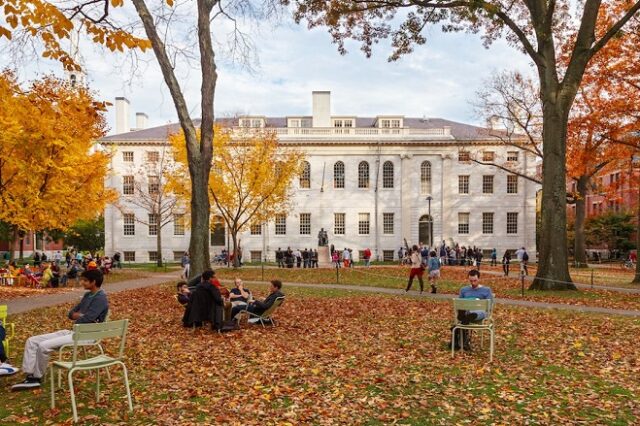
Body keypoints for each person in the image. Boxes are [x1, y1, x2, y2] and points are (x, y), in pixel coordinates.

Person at [12, 269, 108, 390]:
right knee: (32, 341)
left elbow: (88, 318)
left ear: (93, 282)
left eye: (85, 280)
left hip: (86, 336)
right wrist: (79, 316)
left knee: (43, 346)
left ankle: (36, 378)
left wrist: (80, 316)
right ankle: (30, 375)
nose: (82, 282)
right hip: (75, 331)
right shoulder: (87, 295)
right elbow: (71, 313)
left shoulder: (101, 298)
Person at [453, 269, 493, 351]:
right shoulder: (464, 290)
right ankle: (466, 317)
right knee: (464, 310)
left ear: (479, 279)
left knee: (481, 311)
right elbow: (459, 304)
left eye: (475, 280)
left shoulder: (486, 290)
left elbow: (489, 307)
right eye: (471, 281)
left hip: (480, 313)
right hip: (466, 310)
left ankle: (464, 320)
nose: (473, 283)